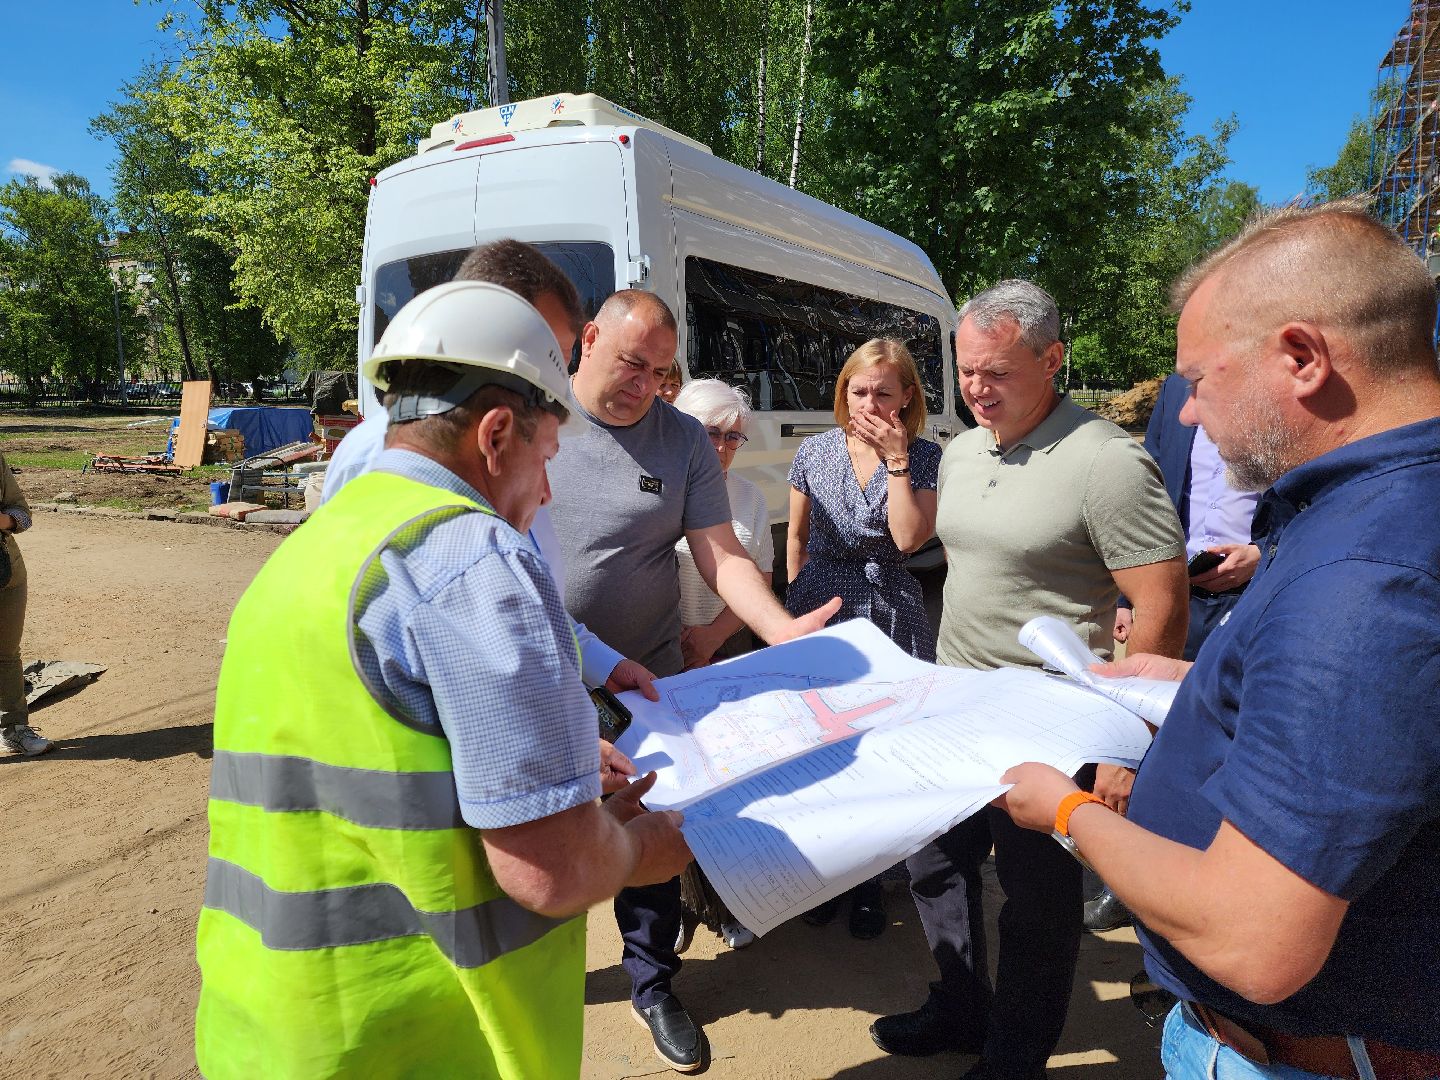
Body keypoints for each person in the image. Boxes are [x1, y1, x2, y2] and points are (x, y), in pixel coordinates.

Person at [195, 281, 694, 1079]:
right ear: (496, 435)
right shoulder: (479, 558)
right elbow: (551, 871)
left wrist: (561, 777)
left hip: (267, 1027)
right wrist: (638, 849)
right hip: (421, 1036)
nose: (546, 492)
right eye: (547, 458)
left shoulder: (316, 547)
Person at [996, 201, 1440, 1080]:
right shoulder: (1382, 511)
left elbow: (1254, 939)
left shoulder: (1363, 579)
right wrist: (1198, 681)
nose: (1190, 414)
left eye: (1200, 379)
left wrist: (1068, 813)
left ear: (1303, 358)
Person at [871, 280, 1187, 1080]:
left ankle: (1013, 1059)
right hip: (954, 707)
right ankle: (961, 1007)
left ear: (1052, 361)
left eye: (997, 372)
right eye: (965, 370)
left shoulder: (1107, 461)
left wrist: (1129, 745)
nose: (976, 389)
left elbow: (1160, 602)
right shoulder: (965, 448)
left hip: (1051, 728)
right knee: (935, 867)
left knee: (1036, 903)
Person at [548, 289, 840, 1073]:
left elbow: (719, 551)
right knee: (537, 832)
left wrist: (776, 628)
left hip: (645, 678)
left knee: (649, 828)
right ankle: (532, 977)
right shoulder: (537, 419)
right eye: (630, 364)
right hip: (536, 676)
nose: (643, 385)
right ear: (587, 339)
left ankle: (651, 983)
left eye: (659, 372)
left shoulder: (680, 439)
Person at [320, 238, 656, 704]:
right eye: (544, 352)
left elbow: (531, 607)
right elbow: (400, 643)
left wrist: (602, 663)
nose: (557, 379)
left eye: (560, 358)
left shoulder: (513, 451)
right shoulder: (374, 458)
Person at [1091, 370, 1263, 932]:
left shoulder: (1275, 389)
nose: (1191, 405)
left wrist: (1263, 554)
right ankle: (1138, 879)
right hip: (1176, 590)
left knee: (1231, 739)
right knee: (1153, 732)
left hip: (1251, 593)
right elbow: (1152, 501)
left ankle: (1221, 883)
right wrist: (1127, 596)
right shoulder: (1175, 391)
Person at [786, 337, 942, 939]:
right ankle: (826, 873)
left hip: (889, 610)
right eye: (859, 391)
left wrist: (897, 460)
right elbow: (796, 538)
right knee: (822, 747)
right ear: (843, 392)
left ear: (907, 398)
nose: (869, 403)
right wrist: (796, 604)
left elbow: (908, 538)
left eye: (883, 392)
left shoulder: (923, 455)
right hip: (822, 609)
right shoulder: (814, 450)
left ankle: (873, 878)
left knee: (880, 750)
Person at [669, 378, 771, 951]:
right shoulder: (661, 491)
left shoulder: (750, 497)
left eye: (735, 437)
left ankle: (733, 902)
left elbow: (759, 577)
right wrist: (681, 644)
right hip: (660, 658)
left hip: (726, 652)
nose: (724, 447)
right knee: (674, 787)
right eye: (712, 433)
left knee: (731, 783)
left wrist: (709, 637)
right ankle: (682, 905)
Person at [0, 451, 46, 756]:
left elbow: (23, 514)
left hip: (7, 574)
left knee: (7, 655)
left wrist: (3, 519)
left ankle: (14, 730)